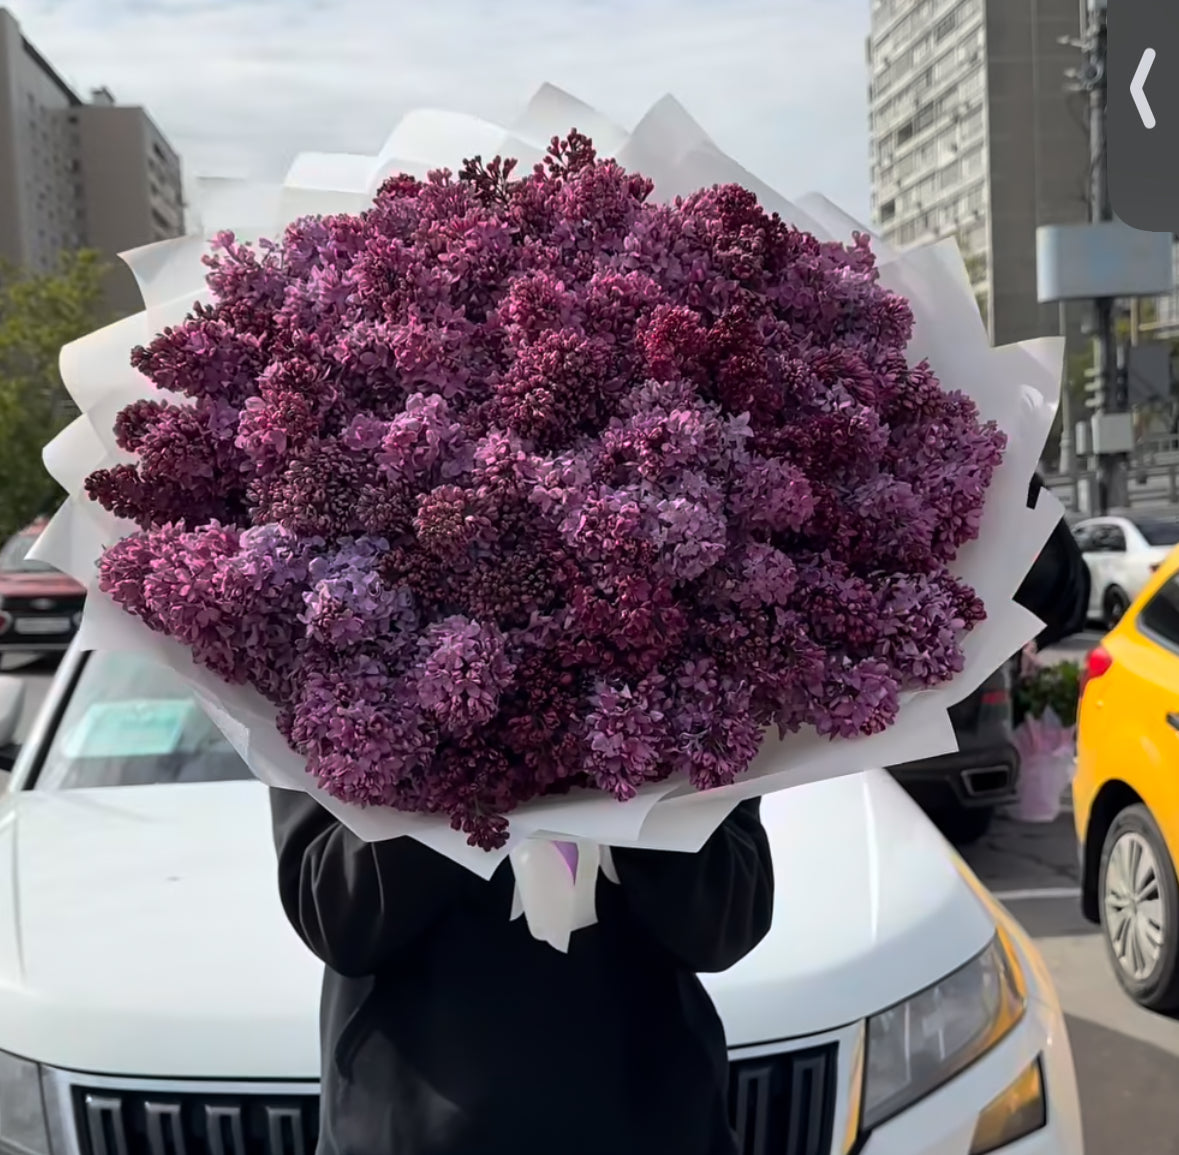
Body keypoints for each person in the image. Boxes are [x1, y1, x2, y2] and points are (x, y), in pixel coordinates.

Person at [270, 789, 773, 1155]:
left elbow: (728, 919)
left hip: (644, 1116)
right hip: (413, 1125)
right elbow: (338, 915)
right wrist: (465, 763)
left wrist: (626, 771)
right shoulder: (329, 651)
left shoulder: (685, 655)